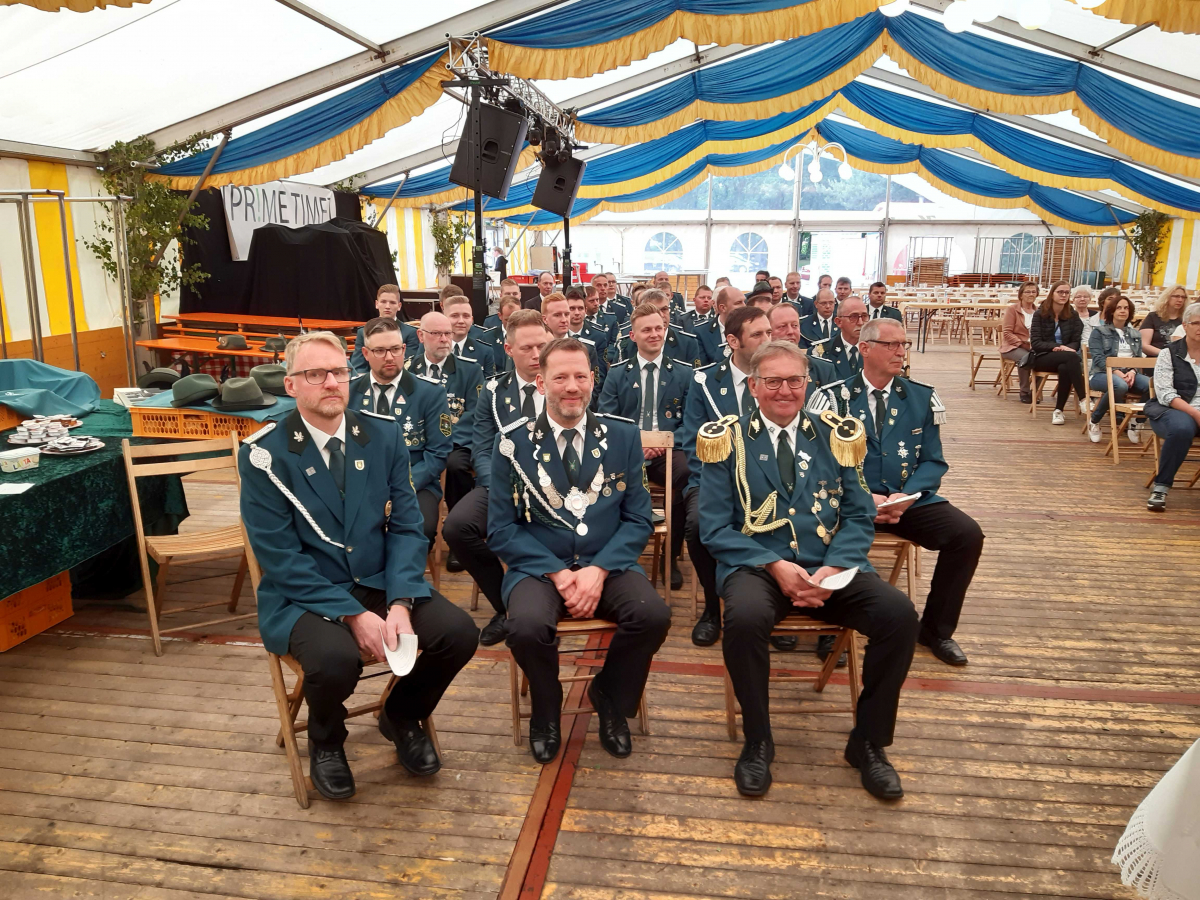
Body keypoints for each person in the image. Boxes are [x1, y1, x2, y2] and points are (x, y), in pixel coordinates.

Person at [240, 330, 477, 799]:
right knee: (335, 660)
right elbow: (280, 559)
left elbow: (407, 527)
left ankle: (401, 715)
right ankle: (327, 741)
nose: (331, 382)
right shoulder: (265, 455)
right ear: (291, 385)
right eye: (315, 374)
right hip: (304, 594)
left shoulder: (381, 434)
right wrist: (353, 615)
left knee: (458, 633)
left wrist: (401, 601)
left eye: (338, 372)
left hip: (378, 580)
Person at [699, 340, 917, 799]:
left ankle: (868, 742)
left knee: (899, 615)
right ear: (753, 386)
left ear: (808, 383)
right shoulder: (727, 438)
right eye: (773, 381)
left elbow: (858, 514)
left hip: (829, 564)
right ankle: (758, 740)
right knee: (743, 619)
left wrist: (834, 568)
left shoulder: (837, 434)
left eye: (794, 380)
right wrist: (774, 564)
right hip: (758, 566)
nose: (785, 390)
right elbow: (714, 528)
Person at [489, 337, 672, 764]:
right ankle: (546, 707)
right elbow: (500, 529)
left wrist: (599, 570)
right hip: (539, 568)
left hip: (606, 563)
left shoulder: (622, 436)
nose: (572, 387)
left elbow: (638, 519)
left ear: (592, 380)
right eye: (560, 378)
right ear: (541, 384)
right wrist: (557, 573)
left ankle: (609, 695)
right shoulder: (512, 444)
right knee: (526, 627)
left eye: (580, 377)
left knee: (653, 616)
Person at [810, 317, 983, 669]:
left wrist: (907, 498)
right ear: (864, 348)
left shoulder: (920, 396)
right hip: (847, 502)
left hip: (905, 500)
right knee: (822, 531)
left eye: (903, 344)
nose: (900, 351)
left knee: (967, 535)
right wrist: (864, 498)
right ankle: (832, 629)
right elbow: (817, 464)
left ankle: (935, 631)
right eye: (891, 344)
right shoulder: (832, 399)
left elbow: (933, 461)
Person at [443, 311, 551, 647]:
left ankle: (541, 605)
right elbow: (481, 448)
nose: (536, 354)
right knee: (457, 527)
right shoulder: (492, 392)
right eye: (527, 348)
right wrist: (498, 488)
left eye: (542, 346)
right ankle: (505, 605)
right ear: (508, 349)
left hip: (555, 488)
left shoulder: (563, 385)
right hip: (502, 485)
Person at [682, 305, 777, 647]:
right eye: (758, 334)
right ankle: (712, 608)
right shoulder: (705, 381)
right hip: (714, 480)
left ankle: (776, 607)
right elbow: (694, 442)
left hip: (772, 479)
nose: (768, 340)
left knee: (788, 516)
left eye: (769, 332)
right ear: (733, 341)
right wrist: (728, 481)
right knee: (697, 525)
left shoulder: (778, 380)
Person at [599, 301, 692, 589]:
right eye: (646, 330)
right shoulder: (617, 374)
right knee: (600, 472)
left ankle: (669, 555)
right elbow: (606, 419)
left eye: (659, 328)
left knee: (685, 474)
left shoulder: (684, 374)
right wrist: (637, 442)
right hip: (626, 451)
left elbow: (692, 422)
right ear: (633, 335)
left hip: (668, 452)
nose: (654, 334)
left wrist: (662, 443)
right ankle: (613, 550)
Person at [348, 317, 451, 551]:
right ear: (365, 353)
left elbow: (438, 453)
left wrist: (400, 485)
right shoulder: (349, 392)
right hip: (360, 482)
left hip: (416, 483)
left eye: (395, 349)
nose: (389, 357)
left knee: (420, 528)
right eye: (380, 350)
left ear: (404, 349)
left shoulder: (430, 393)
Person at [1144, 303, 1200, 511]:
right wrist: (1195, 413)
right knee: (1182, 429)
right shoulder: (1169, 353)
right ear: (1184, 325)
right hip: (1174, 409)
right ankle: (1161, 487)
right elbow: (1166, 393)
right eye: (1196, 323)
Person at [1087, 293, 1149, 444]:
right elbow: (1098, 358)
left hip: (1129, 373)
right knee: (1119, 385)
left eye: (1126, 308)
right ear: (1112, 311)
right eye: (1119, 308)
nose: (1123, 311)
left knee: (1153, 385)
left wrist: (1133, 371)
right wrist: (1116, 371)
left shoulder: (1135, 333)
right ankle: (1094, 420)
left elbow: (1138, 357)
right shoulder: (1099, 332)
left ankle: (1137, 421)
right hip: (1101, 374)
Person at [1029, 280, 1087, 424]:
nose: (1064, 295)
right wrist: (1058, 347)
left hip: (1066, 357)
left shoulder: (1072, 315)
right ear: (1052, 293)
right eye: (1060, 292)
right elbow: (1036, 343)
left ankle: (1058, 411)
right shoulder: (1040, 314)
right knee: (1072, 358)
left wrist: (1067, 349)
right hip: (1043, 356)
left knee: (1065, 367)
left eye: (1067, 292)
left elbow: (1076, 340)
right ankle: (1083, 398)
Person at [611, 288, 701, 367]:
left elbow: (693, 378)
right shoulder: (625, 346)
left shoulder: (687, 343)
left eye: (664, 309)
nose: (661, 315)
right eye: (654, 310)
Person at [349, 284, 419, 376]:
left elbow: (408, 365)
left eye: (392, 303)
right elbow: (359, 366)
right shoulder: (363, 332)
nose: (387, 306)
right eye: (383, 302)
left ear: (399, 306)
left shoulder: (410, 333)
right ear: (377, 304)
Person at [768, 302, 837, 392]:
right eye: (782, 326)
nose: (790, 331)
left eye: (795, 325)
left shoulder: (824, 370)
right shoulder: (759, 368)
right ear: (769, 332)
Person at [1000, 282, 1040, 404]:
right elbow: (1007, 333)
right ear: (1021, 295)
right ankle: (1024, 392)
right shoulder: (1012, 310)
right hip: (1012, 347)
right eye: (1027, 292)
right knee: (1026, 358)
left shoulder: (1039, 311)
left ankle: (1036, 391)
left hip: (1034, 346)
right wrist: (1022, 343)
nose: (1031, 294)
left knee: (1045, 358)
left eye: (1033, 292)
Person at [443, 292, 496, 376]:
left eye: (466, 316)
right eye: (455, 316)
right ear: (444, 318)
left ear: (471, 320)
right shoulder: (429, 349)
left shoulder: (484, 352)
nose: (461, 321)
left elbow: (488, 382)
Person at [695, 285, 748, 365]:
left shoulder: (751, 329)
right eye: (738, 303)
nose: (744, 306)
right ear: (723, 308)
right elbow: (701, 368)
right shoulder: (701, 332)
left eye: (744, 301)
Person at [823, 296, 869, 382]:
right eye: (853, 317)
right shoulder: (823, 352)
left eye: (864, 316)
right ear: (839, 322)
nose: (860, 322)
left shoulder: (874, 350)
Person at [565, 286, 610, 366]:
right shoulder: (558, 335)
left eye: (580, 308)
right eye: (572, 308)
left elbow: (600, 370)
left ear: (585, 310)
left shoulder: (599, 336)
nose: (577, 313)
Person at [1140, 285, 1189, 356]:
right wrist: (1166, 354)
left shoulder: (1187, 319)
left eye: (1183, 297)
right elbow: (1144, 345)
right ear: (1167, 297)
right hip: (1156, 357)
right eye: (1176, 296)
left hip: (1182, 358)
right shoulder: (1153, 317)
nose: (1180, 300)